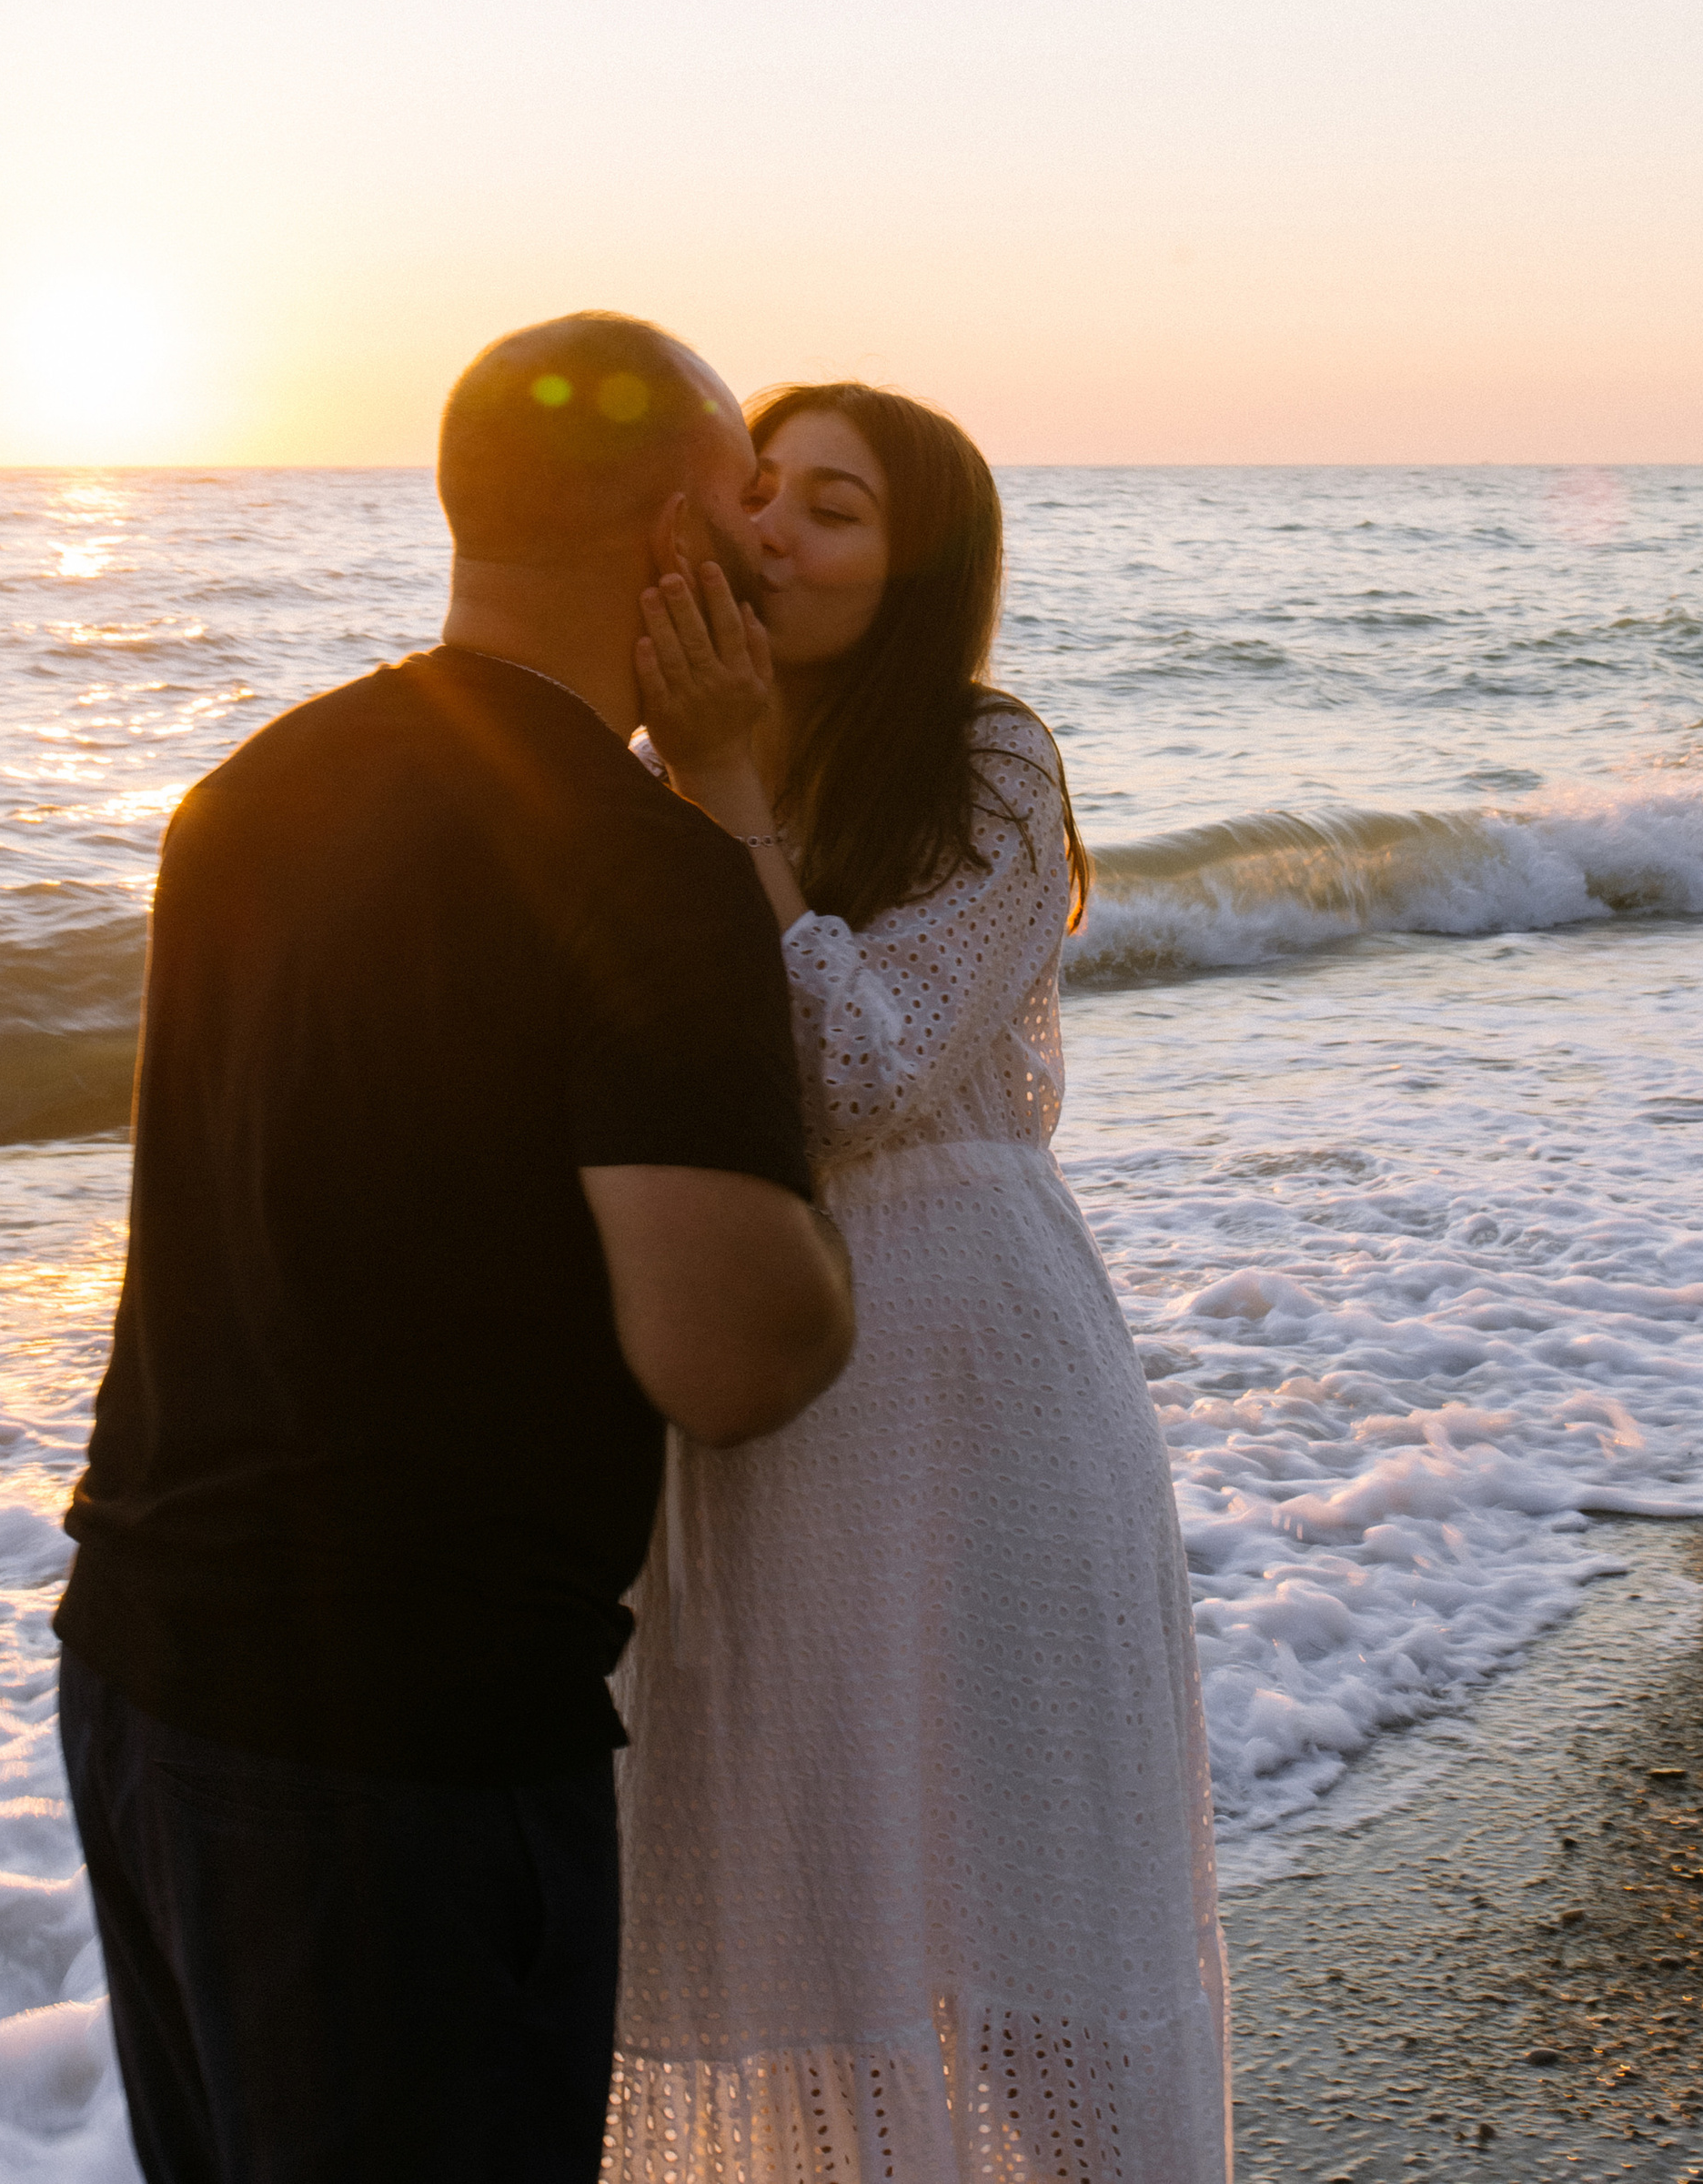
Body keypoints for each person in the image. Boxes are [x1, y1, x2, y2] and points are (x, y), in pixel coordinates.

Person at [55, 312, 856, 2184]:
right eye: (746, 504)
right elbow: (732, 1358)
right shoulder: (639, 863)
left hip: (144, 1664)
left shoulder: (247, 789)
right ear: (671, 536)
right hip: (404, 1745)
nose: (762, 547)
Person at [607, 383, 1230, 2184]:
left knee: (1023, 1912)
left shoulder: (987, 768)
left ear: (917, 566)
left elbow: (856, 1077)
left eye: (832, 510)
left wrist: (721, 780)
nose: (774, 534)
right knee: (803, 1909)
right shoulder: (654, 781)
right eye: (758, 497)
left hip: (977, 1381)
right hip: (761, 1403)